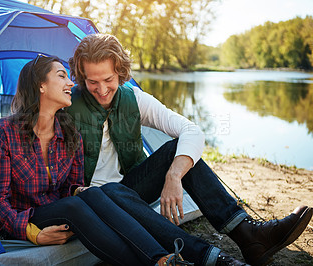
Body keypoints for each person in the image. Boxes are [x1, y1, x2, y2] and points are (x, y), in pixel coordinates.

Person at [66, 33, 313, 265]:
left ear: (120, 73)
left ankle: (249, 234)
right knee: (110, 192)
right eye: (92, 82)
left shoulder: (135, 99)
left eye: (108, 79)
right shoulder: (64, 106)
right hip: (91, 199)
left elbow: (192, 131)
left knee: (179, 150)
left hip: (130, 189)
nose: (101, 90)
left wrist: (174, 175)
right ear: (80, 77)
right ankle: (209, 256)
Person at [0, 54, 198, 266]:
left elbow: (69, 188)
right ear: (41, 86)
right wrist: (33, 234)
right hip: (27, 217)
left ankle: (165, 259)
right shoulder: (3, 132)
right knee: (73, 207)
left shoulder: (70, 134)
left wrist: (79, 191)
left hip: (61, 211)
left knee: (91, 193)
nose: (70, 82)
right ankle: (156, 261)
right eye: (61, 76)